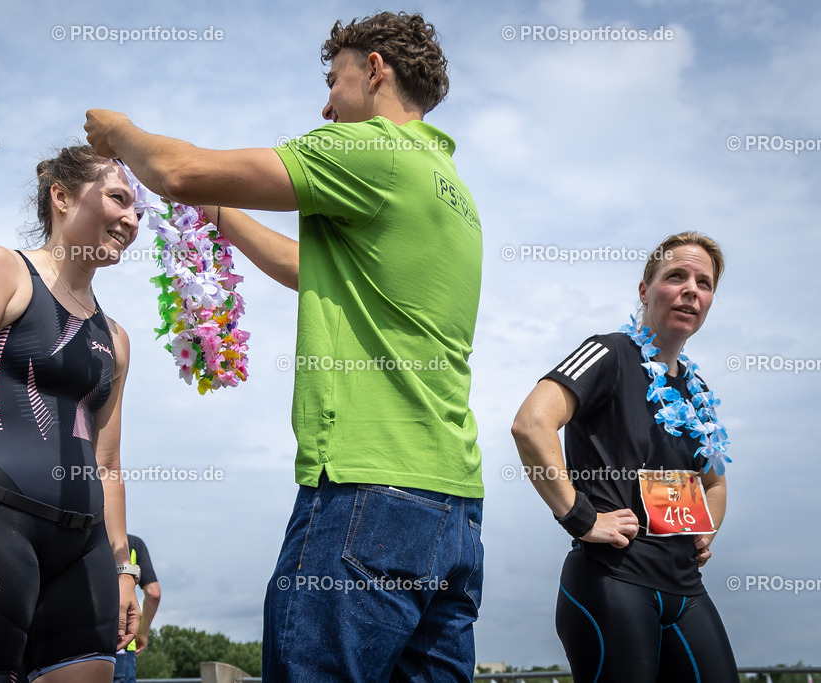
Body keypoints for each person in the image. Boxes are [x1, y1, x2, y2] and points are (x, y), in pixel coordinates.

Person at [85, 11, 484, 681]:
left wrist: (119, 131)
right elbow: (313, 270)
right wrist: (226, 217)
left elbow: (179, 171)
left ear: (376, 69)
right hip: (452, 513)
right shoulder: (449, 186)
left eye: (336, 80)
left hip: (365, 494)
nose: (327, 104)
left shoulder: (372, 150)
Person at [0, 145, 142, 683]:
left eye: (139, 210)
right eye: (118, 199)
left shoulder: (116, 339)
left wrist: (123, 569)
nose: (132, 220)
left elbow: (107, 464)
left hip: (83, 549)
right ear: (61, 198)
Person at [511, 232, 738, 682]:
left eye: (704, 282)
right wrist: (582, 517)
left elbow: (714, 481)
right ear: (644, 290)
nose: (692, 289)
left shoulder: (700, 395)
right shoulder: (609, 352)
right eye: (676, 276)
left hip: (686, 590)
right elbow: (532, 423)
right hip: (612, 580)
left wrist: (702, 533)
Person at [113, 535, 161, 683]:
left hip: (75, 645)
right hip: (122, 643)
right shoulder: (133, 544)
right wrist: (142, 634)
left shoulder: (80, 534)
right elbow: (154, 593)